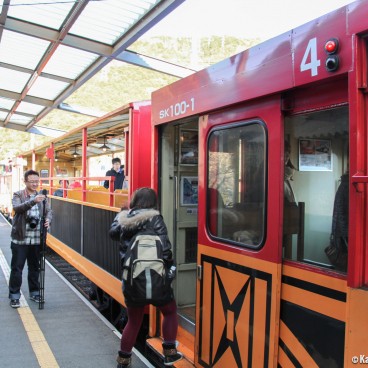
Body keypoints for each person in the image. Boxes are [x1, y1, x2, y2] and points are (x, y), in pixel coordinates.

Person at [109, 187, 183, 367]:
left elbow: (112, 234)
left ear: (135, 201)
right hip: (157, 279)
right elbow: (165, 250)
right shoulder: (155, 218)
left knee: (134, 320)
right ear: (153, 202)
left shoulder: (124, 219)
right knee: (170, 311)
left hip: (133, 279)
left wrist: (122, 213)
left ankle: (123, 360)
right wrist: (170, 270)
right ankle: (169, 352)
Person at [8, 169, 52, 308]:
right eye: (32, 181)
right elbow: (17, 208)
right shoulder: (18, 194)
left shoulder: (42, 196)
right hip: (20, 239)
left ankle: (34, 293)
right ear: (25, 181)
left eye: (36, 181)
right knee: (17, 268)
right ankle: (14, 296)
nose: (34, 184)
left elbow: (49, 211)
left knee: (35, 268)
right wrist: (33, 201)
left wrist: (48, 220)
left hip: (37, 239)